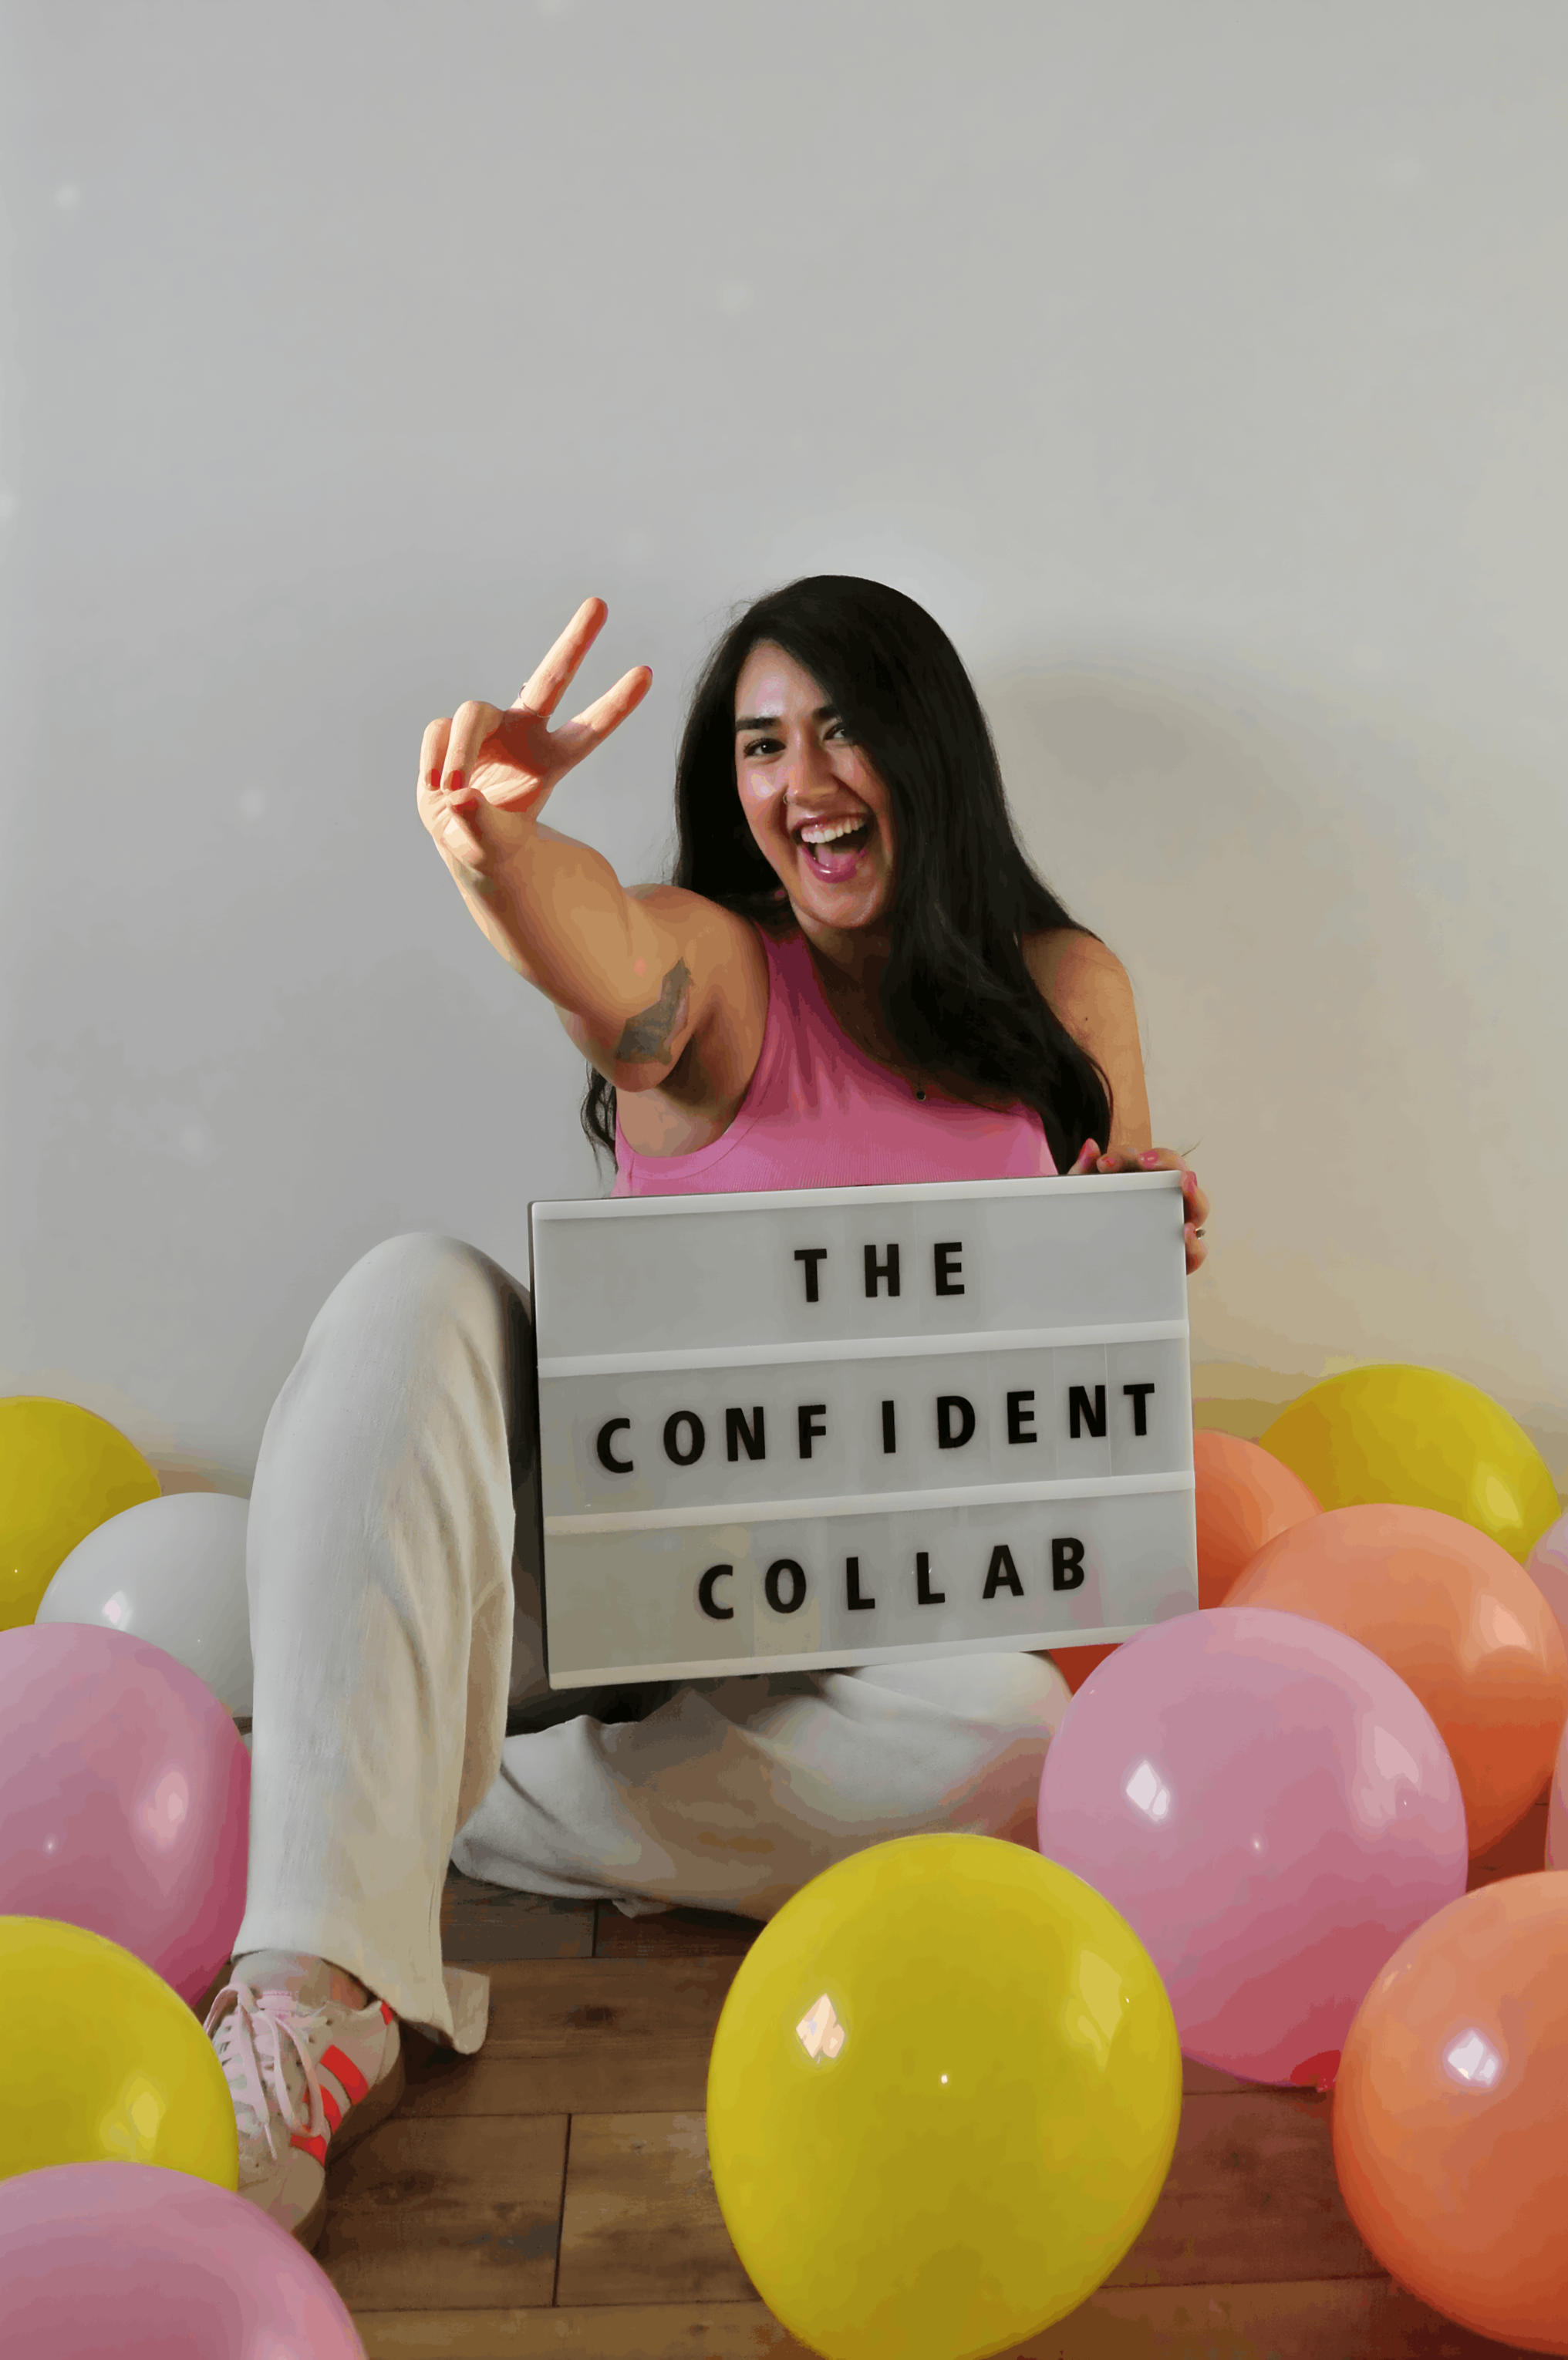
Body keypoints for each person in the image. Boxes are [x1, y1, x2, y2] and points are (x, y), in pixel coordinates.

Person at [202, 577, 1211, 2250]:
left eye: (839, 728)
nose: (799, 776)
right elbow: (605, 960)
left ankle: (425, 1792)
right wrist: (496, 854)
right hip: (608, 1596)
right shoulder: (717, 973)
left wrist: (1141, 1239)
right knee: (411, 1289)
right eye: (759, 742)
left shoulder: (1065, 991)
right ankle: (314, 1990)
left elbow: (1080, 1363)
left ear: (927, 751)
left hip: (881, 1622)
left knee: (1029, 1750)